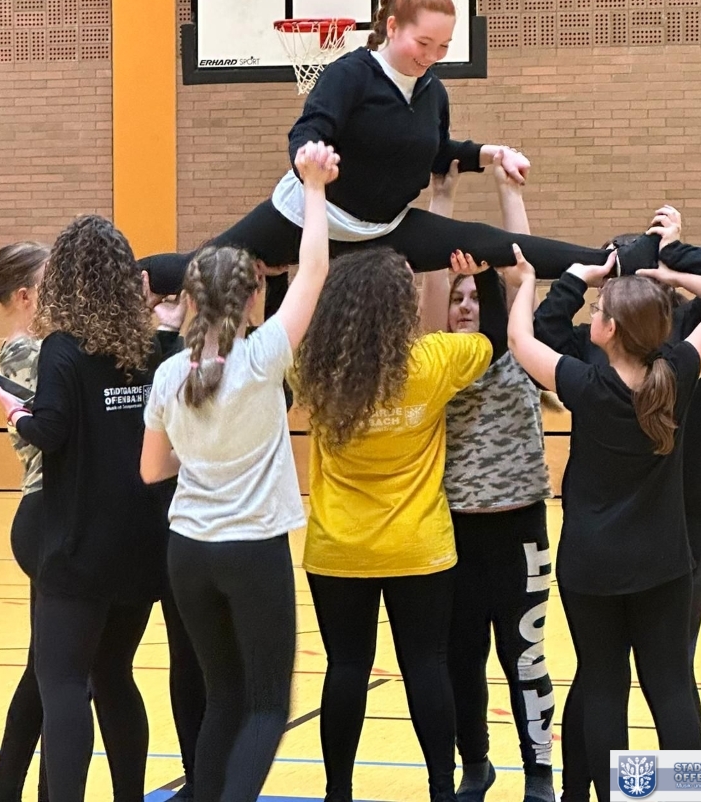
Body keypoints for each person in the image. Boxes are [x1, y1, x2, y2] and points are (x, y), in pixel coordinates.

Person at [139, 0, 658, 296]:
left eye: (443, 47)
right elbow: (309, 129)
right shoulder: (350, 74)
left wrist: (491, 153)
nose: (431, 56)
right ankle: (119, 280)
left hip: (383, 230)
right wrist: (311, 157)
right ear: (392, 27)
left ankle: (612, 263)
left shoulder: (432, 92)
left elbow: (433, 153)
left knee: (492, 243)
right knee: (202, 268)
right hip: (308, 219)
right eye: (422, 43)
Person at [532, 207, 701, 802]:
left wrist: (661, 258)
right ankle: (593, 789)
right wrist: (674, 263)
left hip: (665, 523)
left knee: (633, 676)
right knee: (634, 679)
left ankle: (639, 790)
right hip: (649, 534)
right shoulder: (670, 348)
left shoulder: (676, 338)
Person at [139, 141, 338, 802]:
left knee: (223, 696)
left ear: (191, 300)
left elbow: (152, 470)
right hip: (251, 552)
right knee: (265, 706)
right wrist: (314, 187)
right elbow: (314, 269)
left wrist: (202, 454)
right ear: (254, 296)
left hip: (188, 553)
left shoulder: (170, 373)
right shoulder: (262, 358)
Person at [291, 247, 495, 802]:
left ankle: (337, 792)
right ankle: (441, 790)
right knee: (427, 666)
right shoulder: (433, 360)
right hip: (418, 546)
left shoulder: (314, 367)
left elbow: (282, 334)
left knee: (346, 667)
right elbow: (491, 340)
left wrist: (287, 277)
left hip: (339, 548)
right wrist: (481, 278)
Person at [0, 216, 176, 802]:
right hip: (145, 539)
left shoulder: (62, 349)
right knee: (115, 676)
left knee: (64, 683)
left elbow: (50, 432)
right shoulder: (151, 349)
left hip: (79, 542)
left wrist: (14, 410)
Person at [419, 161, 554, 802]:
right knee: (461, 659)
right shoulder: (436, 360)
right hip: (456, 533)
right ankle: (476, 764)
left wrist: (507, 189)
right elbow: (428, 285)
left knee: (524, 657)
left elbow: (522, 269)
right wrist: (440, 195)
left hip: (521, 526)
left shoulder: (519, 352)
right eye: (457, 298)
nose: (466, 304)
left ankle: (539, 770)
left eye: (475, 296)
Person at [0, 243, 50, 802]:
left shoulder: (43, 348)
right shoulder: (21, 352)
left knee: (46, 670)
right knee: (53, 672)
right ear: (24, 296)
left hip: (57, 512)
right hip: (46, 510)